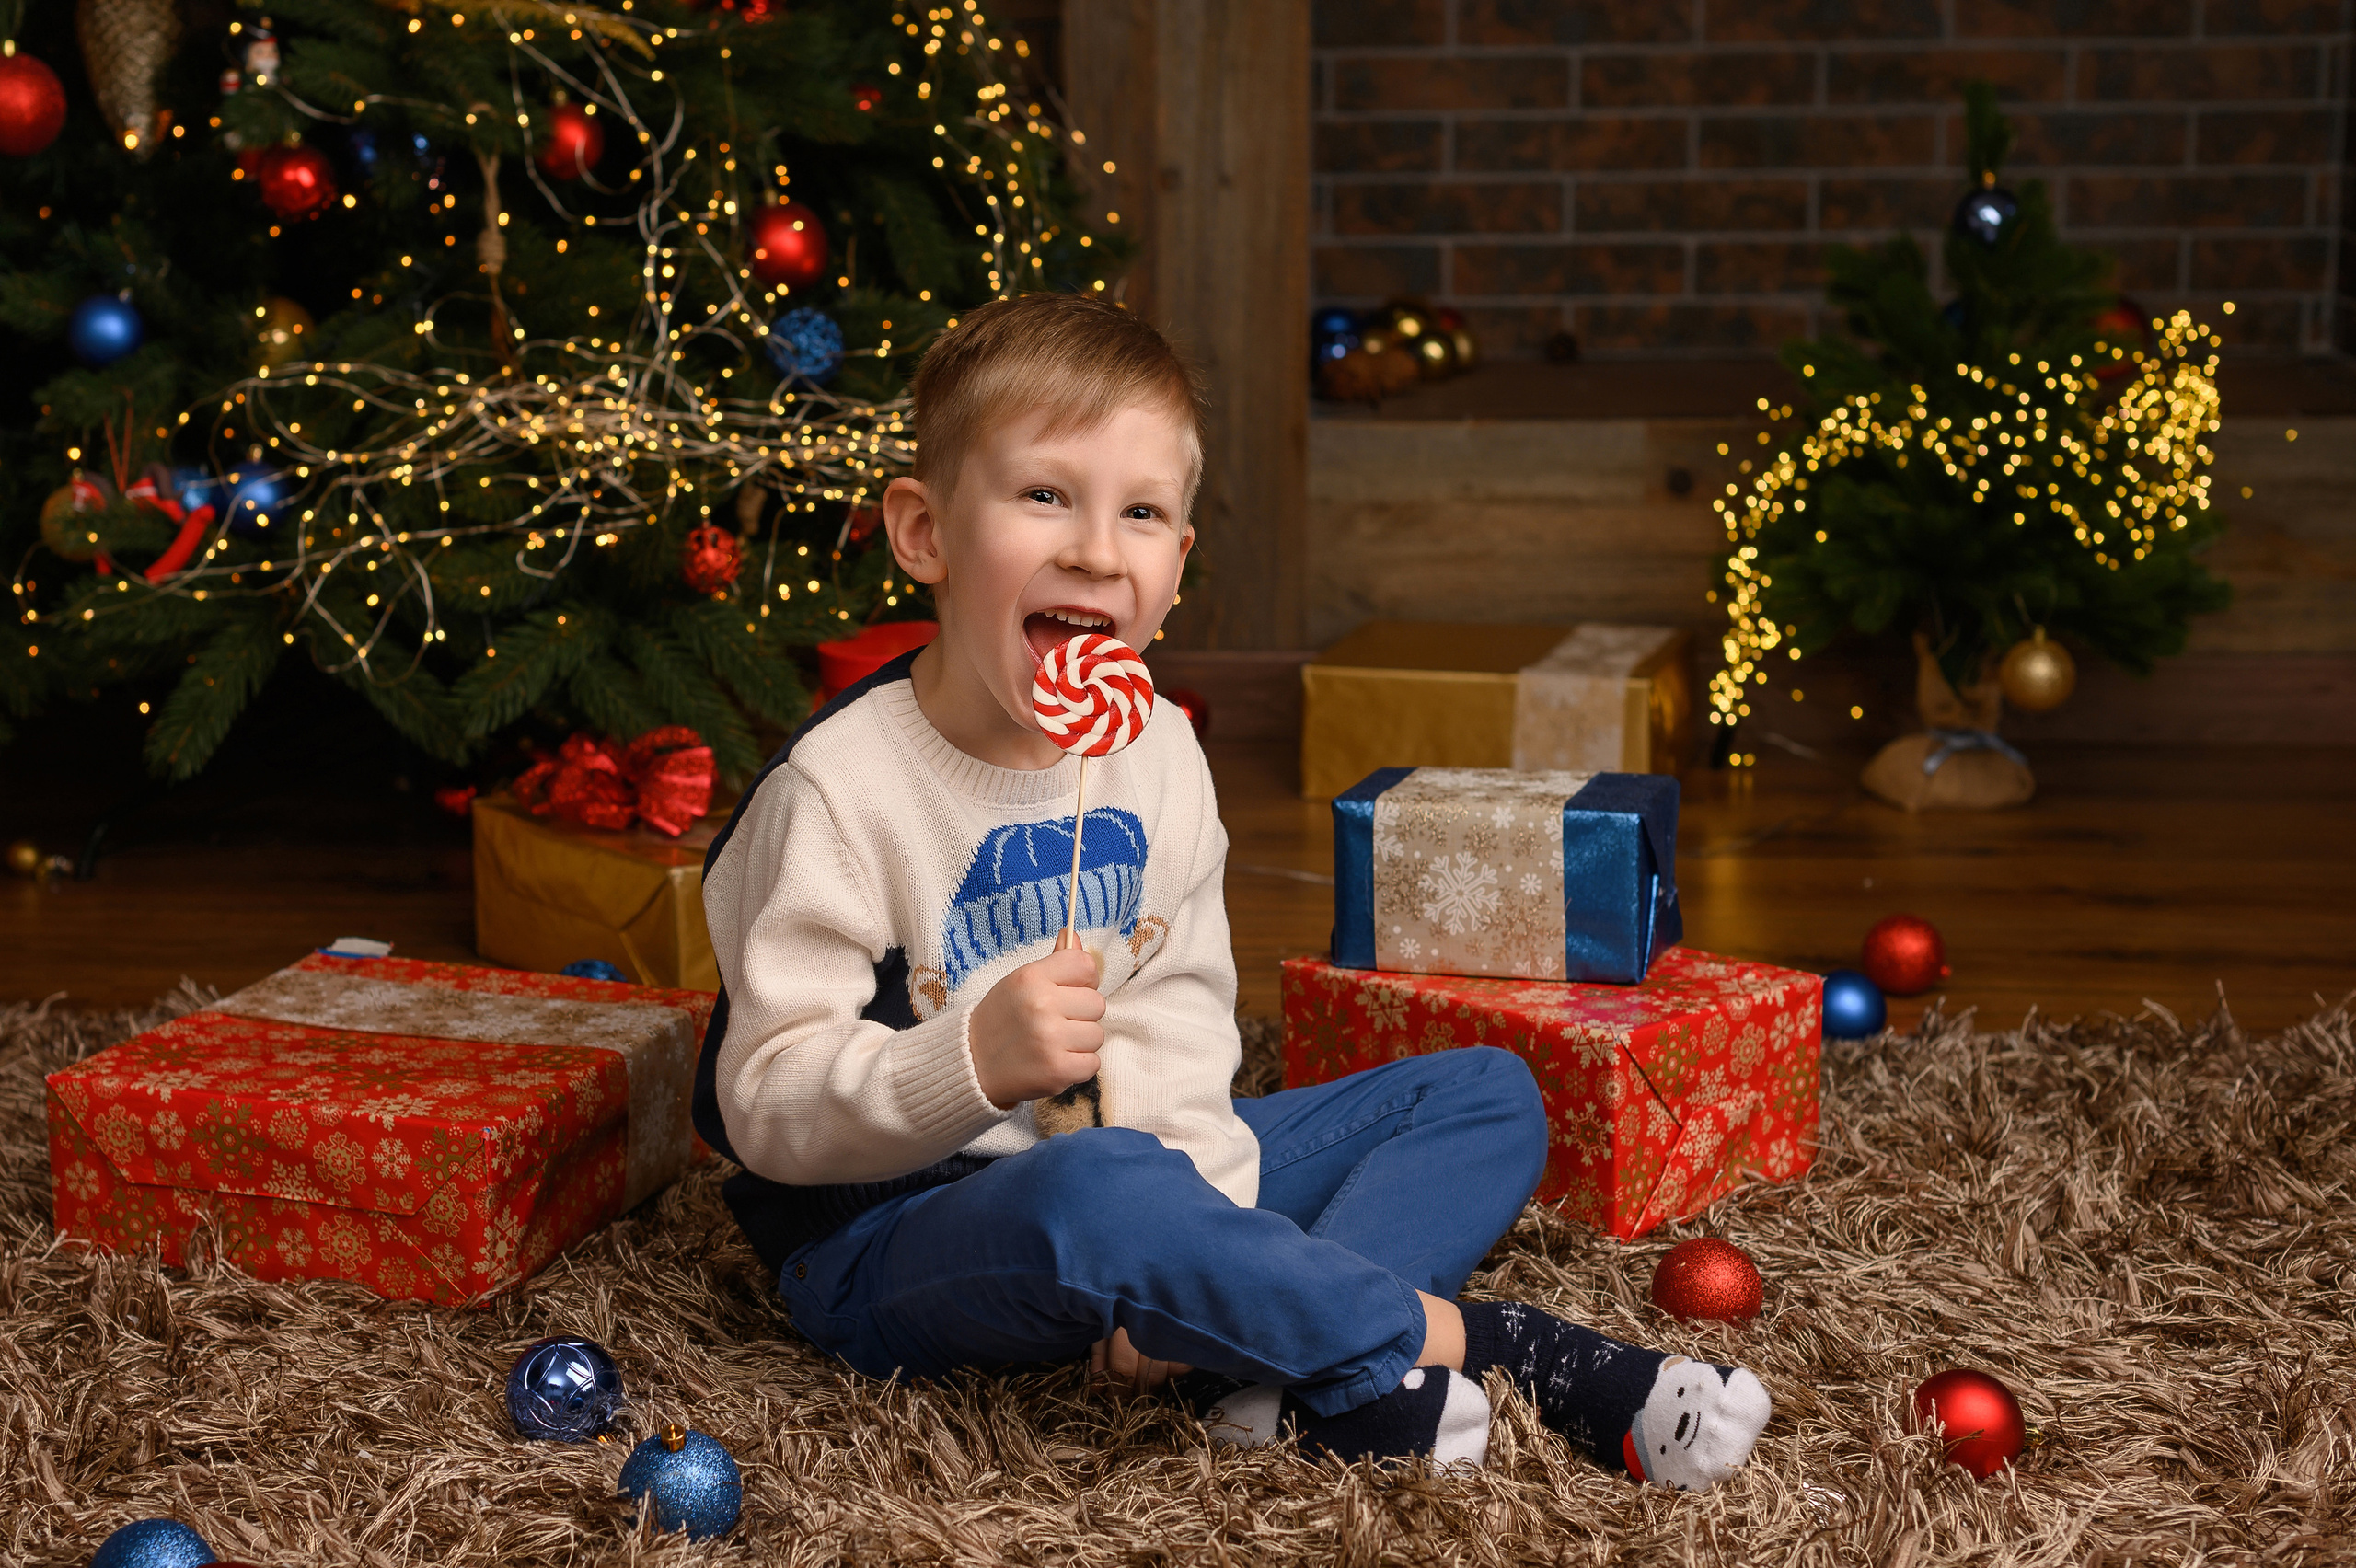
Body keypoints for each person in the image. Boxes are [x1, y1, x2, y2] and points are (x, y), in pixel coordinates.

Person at [695, 292, 1771, 1480]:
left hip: (1127, 1180)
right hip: (888, 1233)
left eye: (1141, 512)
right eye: (1045, 494)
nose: (1097, 547)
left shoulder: (1152, 750)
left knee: (1487, 1095)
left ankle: (1273, 1368)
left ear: (1175, 567)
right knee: (1102, 1186)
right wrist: (967, 1061)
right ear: (924, 533)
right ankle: (1504, 1352)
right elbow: (762, 1102)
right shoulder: (838, 791)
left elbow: (1175, 1016)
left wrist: (1175, 1264)